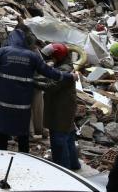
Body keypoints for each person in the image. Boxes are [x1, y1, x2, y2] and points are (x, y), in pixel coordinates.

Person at [0, 27, 75, 153]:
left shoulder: (3, 52)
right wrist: (69, 76)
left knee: (2, 134)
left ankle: (1, 158)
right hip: (22, 105)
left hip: (3, 103)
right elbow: (50, 72)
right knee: (22, 135)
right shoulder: (32, 56)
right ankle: (23, 159)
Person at [40, 42, 80, 170]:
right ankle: (73, 164)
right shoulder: (65, 66)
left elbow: (50, 86)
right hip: (65, 106)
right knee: (67, 136)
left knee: (59, 139)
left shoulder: (64, 70)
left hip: (61, 108)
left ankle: (63, 169)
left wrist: (31, 82)